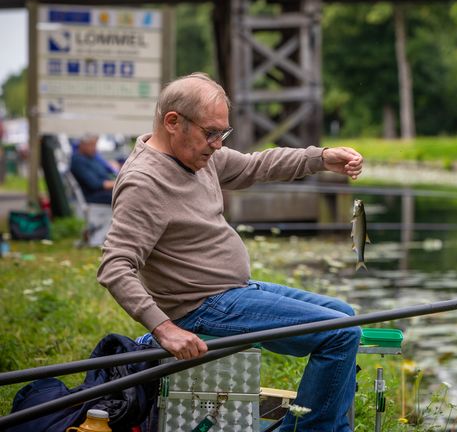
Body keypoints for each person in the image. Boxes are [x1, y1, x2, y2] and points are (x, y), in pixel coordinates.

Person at [97, 72, 364, 431]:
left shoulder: (196, 156)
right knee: (340, 333)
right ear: (173, 122)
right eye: (211, 133)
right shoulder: (145, 182)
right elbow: (115, 265)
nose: (218, 144)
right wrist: (163, 328)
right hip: (201, 306)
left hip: (233, 291)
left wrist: (320, 158)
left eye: (223, 134)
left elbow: (256, 165)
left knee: (347, 317)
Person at [70, 135, 116, 205]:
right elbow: (95, 184)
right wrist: (117, 183)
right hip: (93, 195)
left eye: (95, 145)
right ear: (83, 145)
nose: (95, 148)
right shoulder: (78, 160)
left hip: (103, 192)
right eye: (92, 145)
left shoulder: (92, 157)